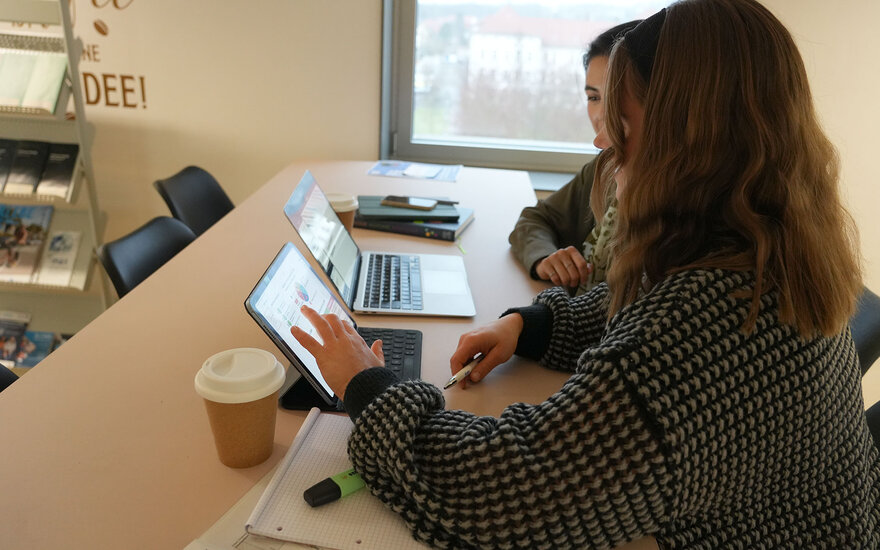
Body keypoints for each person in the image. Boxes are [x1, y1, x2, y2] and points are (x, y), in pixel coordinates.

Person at [291, 1, 880, 548]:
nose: (602, 141)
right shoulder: (774, 253)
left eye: (619, 123)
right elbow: (640, 306)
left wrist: (366, 385)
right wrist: (532, 325)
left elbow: (493, 499)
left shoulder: (691, 345)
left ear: (686, 142)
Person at [508, 20, 639, 294]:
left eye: (616, 97)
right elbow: (535, 219)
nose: (602, 114)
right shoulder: (604, 169)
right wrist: (545, 257)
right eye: (594, 98)